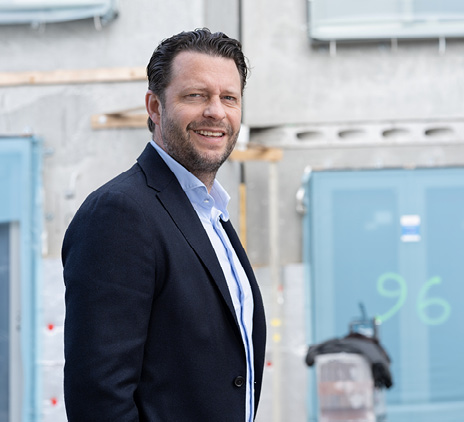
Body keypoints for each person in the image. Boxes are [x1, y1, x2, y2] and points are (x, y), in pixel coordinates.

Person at [62, 28, 266, 422]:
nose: (216, 112)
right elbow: (99, 399)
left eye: (229, 98)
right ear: (155, 107)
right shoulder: (120, 214)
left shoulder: (211, 215)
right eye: (196, 95)